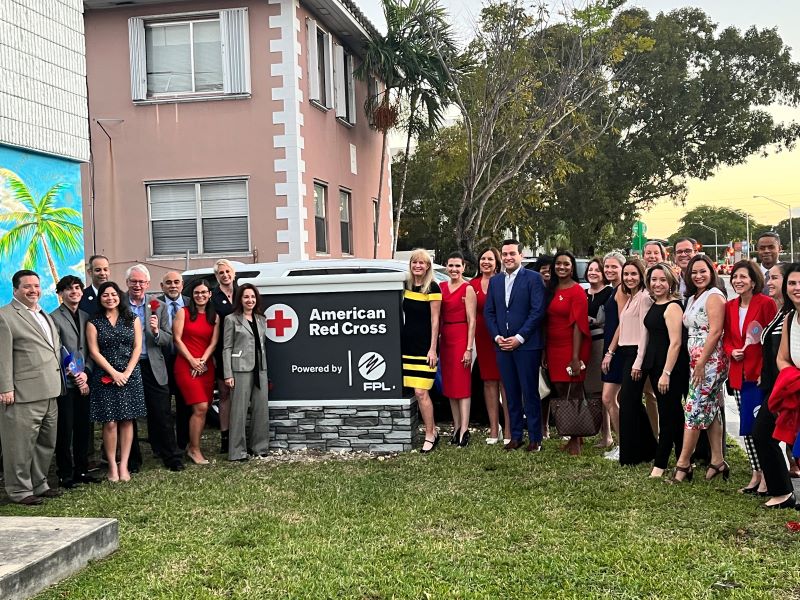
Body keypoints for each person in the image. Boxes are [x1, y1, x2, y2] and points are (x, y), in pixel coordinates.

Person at [0, 270, 64, 505]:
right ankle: (18, 490)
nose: (33, 290)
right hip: (21, 394)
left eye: (36, 286)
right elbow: (2, 356)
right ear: (15, 289)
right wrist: (5, 387)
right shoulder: (5, 316)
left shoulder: (44, 314)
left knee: (45, 443)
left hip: (50, 391)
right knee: (19, 445)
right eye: (27, 286)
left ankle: (39, 483)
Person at [485, 239, 547, 452]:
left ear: (521, 255)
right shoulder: (495, 282)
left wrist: (520, 337)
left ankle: (535, 438)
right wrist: (497, 337)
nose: (508, 257)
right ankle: (516, 436)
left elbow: (537, 311)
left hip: (526, 345)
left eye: (512, 253)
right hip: (502, 346)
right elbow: (489, 312)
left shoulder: (533, 279)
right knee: (510, 392)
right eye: (505, 254)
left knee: (530, 392)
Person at [672, 254, 729, 483]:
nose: (698, 276)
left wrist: (702, 363)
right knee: (712, 409)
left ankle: (683, 464)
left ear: (712, 272)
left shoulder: (714, 296)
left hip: (710, 362)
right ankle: (718, 461)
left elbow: (715, 332)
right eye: (694, 272)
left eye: (703, 271)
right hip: (698, 362)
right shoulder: (696, 296)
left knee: (693, 410)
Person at [723, 259, 777, 493]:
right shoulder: (730, 306)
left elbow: (772, 340)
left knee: (759, 428)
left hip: (758, 375)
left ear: (754, 280)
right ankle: (755, 474)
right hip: (738, 374)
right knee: (746, 426)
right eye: (735, 277)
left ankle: (767, 475)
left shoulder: (765, 304)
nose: (738, 281)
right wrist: (730, 351)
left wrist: (766, 372)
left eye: (743, 277)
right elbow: (727, 338)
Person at [125, 264, 184, 472]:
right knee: (128, 413)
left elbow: (169, 338)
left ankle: (171, 456)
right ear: (127, 283)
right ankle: (132, 461)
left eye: (141, 282)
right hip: (128, 366)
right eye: (134, 281)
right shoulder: (118, 303)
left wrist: (157, 332)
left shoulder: (157, 305)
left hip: (152, 364)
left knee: (162, 411)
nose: (138, 285)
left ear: (148, 284)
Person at [87, 281, 146, 482]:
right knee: (110, 422)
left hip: (130, 375)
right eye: (105, 295)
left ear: (119, 296)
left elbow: (138, 346)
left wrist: (127, 372)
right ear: (100, 298)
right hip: (105, 376)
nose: (110, 298)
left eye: (113, 294)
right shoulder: (94, 321)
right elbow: (94, 352)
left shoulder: (132, 318)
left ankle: (124, 465)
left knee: (128, 420)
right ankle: (112, 465)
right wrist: (114, 373)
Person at [603, 258, 656, 465]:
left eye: (634, 274)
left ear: (642, 275)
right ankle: (647, 447)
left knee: (628, 402)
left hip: (636, 353)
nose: (629, 278)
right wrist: (611, 352)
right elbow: (623, 326)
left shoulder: (644, 297)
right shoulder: (632, 297)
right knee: (630, 402)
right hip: (625, 352)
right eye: (626, 274)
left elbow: (645, 331)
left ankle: (635, 451)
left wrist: (639, 361)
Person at [636, 264, 688, 478]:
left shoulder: (673, 306)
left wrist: (666, 372)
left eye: (662, 280)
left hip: (671, 368)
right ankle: (686, 460)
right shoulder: (655, 303)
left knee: (667, 416)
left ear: (671, 283)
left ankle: (660, 464)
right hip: (655, 366)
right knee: (674, 414)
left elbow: (675, 343)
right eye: (654, 280)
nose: (657, 284)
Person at [752, 263, 796, 507]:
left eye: (775, 278)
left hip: (785, 386)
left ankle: (783, 492)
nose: (769, 282)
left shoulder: (791, 315)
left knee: (764, 434)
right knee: (764, 434)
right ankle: (782, 491)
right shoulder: (782, 313)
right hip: (773, 385)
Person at [50, 275, 98, 489]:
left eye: (78, 288)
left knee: (83, 428)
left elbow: (90, 348)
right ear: (61, 294)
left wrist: (86, 372)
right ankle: (65, 473)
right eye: (69, 289)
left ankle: (81, 469)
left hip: (85, 379)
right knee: (65, 429)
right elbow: (59, 351)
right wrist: (76, 375)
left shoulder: (87, 316)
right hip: (66, 382)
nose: (74, 292)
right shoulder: (54, 318)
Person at [545, 250, 591, 455]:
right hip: (553, 347)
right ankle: (575, 437)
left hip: (571, 347)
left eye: (566, 264)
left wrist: (575, 357)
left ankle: (576, 439)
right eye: (558, 264)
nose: (562, 267)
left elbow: (578, 326)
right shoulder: (551, 289)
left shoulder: (577, 291)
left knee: (574, 392)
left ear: (572, 267)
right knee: (561, 391)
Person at [173, 280, 219, 465]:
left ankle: (193, 446)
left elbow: (213, 343)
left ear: (210, 295)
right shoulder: (183, 313)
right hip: (186, 365)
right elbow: (177, 339)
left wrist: (203, 361)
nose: (200, 296)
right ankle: (194, 449)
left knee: (204, 408)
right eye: (197, 293)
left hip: (206, 366)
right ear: (192, 295)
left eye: (204, 292)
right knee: (199, 407)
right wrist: (192, 361)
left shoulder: (214, 316)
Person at [223, 283, 270, 462]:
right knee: (239, 411)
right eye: (246, 297)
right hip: (240, 369)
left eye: (252, 297)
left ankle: (259, 447)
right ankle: (237, 452)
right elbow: (226, 347)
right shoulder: (231, 319)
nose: (249, 300)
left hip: (261, 368)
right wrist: (228, 373)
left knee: (260, 409)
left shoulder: (261, 319)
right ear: (240, 299)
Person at [401, 249, 441, 453]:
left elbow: (435, 321)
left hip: (425, 349)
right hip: (407, 347)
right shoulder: (405, 285)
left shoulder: (432, 287)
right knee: (415, 392)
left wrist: (433, 349)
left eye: (422, 263)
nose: (418, 266)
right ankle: (431, 430)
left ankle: (429, 433)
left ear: (427, 266)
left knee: (421, 392)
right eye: (415, 262)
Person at [469, 247, 511, 445]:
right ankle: (495, 429)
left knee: (506, 382)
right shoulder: (472, 284)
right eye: (483, 258)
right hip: (482, 338)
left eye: (490, 259)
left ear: (497, 262)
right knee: (488, 382)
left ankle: (510, 429)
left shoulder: (504, 281)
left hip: (502, 336)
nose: (486, 262)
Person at [440, 252, 477, 447]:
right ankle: (455, 428)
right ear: (446, 267)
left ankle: (464, 428)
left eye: (458, 266)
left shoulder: (467, 288)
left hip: (462, 336)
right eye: (451, 265)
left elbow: (472, 320)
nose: (454, 269)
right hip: (445, 338)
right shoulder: (441, 287)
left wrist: (468, 348)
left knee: (462, 385)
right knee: (450, 386)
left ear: (464, 267)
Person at [159, 271, 191, 451]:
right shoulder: (153, 303)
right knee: (162, 406)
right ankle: (163, 444)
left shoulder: (190, 302)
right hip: (162, 360)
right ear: (162, 286)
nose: (173, 285)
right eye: (168, 282)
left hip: (184, 360)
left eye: (176, 282)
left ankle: (183, 442)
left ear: (182, 284)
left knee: (184, 403)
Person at [585, 257, 614, 448]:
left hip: (601, 344)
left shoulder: (610, 293)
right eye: (590, 269)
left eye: (597, 269)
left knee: (603, 392)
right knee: (591, 391)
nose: (593, 272)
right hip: (584, 345)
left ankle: (608, 436)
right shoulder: (583, 293)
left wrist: (594, 321)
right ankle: (597, 431)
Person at [599, 251, 625, 460]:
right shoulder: (612, 289)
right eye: (606, 267)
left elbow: (623, 323)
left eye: (614, 267)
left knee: (608, 398)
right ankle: (622, 443)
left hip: (618, 350)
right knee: (611, 399)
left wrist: (610, 352)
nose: (609, 270)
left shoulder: (622, 290)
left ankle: (624, 444)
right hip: (611, 347)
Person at [211, 259, 238, 454]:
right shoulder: (213, 297)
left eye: (228, 271)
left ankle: (240, 435)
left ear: (233, 274)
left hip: (244, 350)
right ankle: (225, 437)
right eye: (221, 273)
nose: (225, 275)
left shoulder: (242, 293)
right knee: (225, 394)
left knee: (243, 393)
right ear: (217, 276)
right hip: (222, 351)